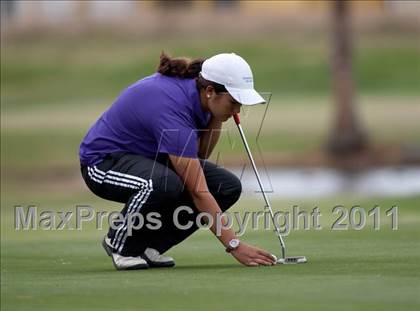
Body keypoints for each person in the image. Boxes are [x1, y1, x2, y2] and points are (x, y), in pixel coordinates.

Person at [79, 52, 277, 270]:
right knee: (163, 184)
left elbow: (198, 157)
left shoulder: (202, 99)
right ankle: (120, 243)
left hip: (149, 160)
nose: (238, 110)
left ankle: (149, 246)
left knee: (226, 187)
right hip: (102, 162)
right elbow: (197, 191)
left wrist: (216, 116)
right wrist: (234, 244)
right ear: (210, 91)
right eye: (233, 102)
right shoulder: (173, 108)